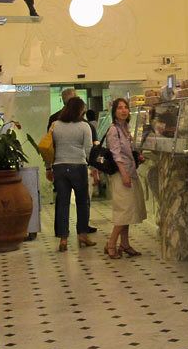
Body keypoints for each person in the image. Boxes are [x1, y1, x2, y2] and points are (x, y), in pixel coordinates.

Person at [47, 96, 96, 252]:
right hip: (78, 167)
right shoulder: (84, 126)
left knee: (62, 203)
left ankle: (63, 239)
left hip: (59, 168)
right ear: (80, 110)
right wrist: (95, 167)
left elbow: (48, 148)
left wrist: (48, 168)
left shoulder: (55, 125)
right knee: (82, 202)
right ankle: (82, 235)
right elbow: (88, 149)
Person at [105, 98, 146, 259]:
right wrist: (124, 174)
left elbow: (128, 151)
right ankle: (111, 244)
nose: (123, 110)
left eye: (126, 107)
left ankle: (125, 244)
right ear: (114, 112)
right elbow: (116, 154)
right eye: (120, 108)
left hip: (130, 172)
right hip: (121, 174)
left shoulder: (126, 128)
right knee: (123, 211)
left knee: (128, 211)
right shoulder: (113, 130)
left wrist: (137, 157)